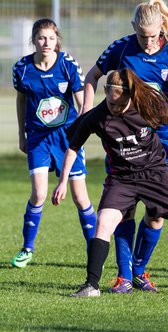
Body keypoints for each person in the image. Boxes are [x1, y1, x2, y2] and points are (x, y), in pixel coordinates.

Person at [52, 68, 168, 297]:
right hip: (122, 178)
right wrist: (63, 181)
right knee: (103, 222)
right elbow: (72, 147)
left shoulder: (147, 104)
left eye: (120, 106)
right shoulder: (97, 116)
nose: (115, 109)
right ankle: (91, 285)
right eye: (111, 104)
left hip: (155, 175)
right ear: (106, 93)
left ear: (130, 96)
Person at [82, 0, 168, 292]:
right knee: (125, 208)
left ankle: (140, 272)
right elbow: (92, 77)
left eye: (153, 35)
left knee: (157, 213)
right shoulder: (121, 48)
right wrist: (86, 111)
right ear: (134, 28)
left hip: (161, 142)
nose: (148, 42)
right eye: (142, 35)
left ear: (162, 27)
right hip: (123, 141)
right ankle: (123, 277)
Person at [11, 18, 96, 268]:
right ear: (33, 40)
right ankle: (27, 249)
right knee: (38, 194)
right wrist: (21, 134)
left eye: (50, 38)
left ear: (56, 39)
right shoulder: (22, 69)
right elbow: (21, 101)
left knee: (80, 197)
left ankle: (94, 251)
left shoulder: (68, 65)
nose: (46, 43)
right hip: (37, 137)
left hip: (67, 138)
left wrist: (81, 135)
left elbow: (83, 105)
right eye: (41, 38)